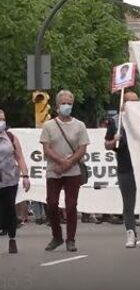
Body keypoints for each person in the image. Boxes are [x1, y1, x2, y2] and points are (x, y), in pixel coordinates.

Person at [40, 90, 90, 252]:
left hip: (73, 171)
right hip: (54, 170)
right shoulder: (48, 125)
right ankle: (57, 236)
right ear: (57, 105)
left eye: (69, 103)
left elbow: (82, 149)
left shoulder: (79, 125)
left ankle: (70, 239)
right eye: (63, 103)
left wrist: (68, 163)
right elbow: (46, 148)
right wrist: (60, 162)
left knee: (71, 205)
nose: (67, 106)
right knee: (52, 203)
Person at [105, 90, 140, 248]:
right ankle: (130, 233)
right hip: (125, 167)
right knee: (128, 203)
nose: (134, 105)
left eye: (136, 101)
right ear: (123, 105)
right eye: (131, 102)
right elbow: (107, 144)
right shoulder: (115, 122)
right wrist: (114, 140)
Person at [0, 109, 31, 254]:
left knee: (9, 210)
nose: (1, 122)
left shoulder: (11, 137)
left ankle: (12, 239)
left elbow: (20, 157)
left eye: (3, 119)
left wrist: (25, 176)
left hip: (9, 179)